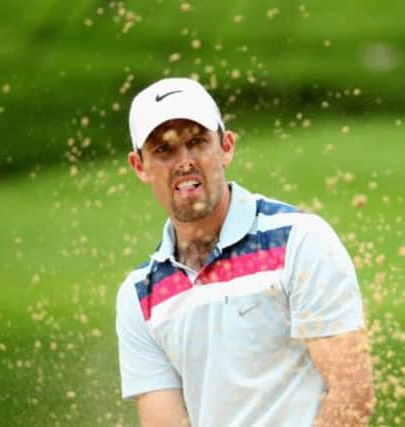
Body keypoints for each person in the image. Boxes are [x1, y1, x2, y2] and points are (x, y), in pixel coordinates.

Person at [116, 77, 375, 427]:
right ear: (139, 166)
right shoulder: (140, 295)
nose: (185, 161)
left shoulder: (297, 240)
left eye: (197, 142)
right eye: (164, 150)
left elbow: (352, 394)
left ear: (226, 147)